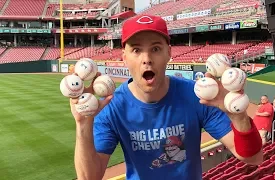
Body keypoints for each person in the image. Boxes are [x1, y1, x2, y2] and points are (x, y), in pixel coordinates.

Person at [69, 14, 263, 180]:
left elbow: (253, 158)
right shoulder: (112, 106)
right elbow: (89, 177)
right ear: (124, 57)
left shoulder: (197, 96)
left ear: (169, 53)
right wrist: (83, 124)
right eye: (136, 50)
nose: (147, 59)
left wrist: (239, 117)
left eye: (155, 48)